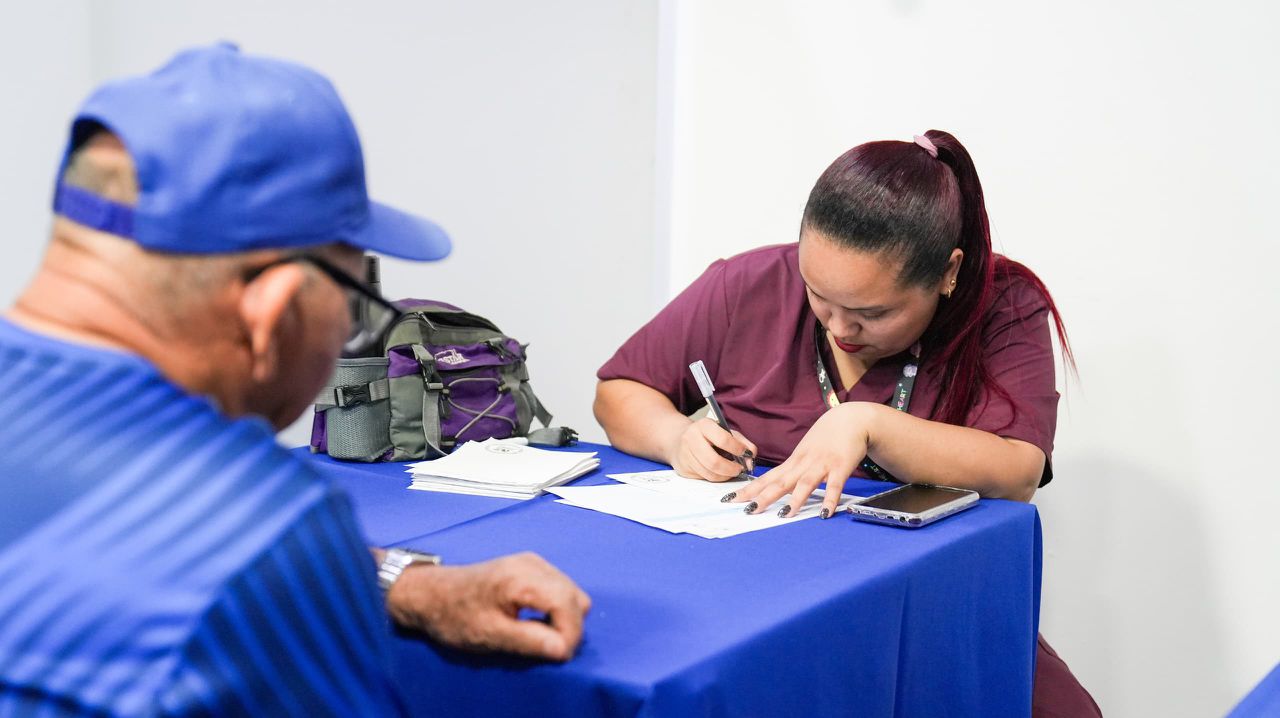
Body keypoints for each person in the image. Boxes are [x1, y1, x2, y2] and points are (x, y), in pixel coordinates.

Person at [0, 44, 589, 716]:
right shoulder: (263, 536)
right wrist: (313, 572)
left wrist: (398, 582)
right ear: (271, 312)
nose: (347, 328)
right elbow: (228, 565)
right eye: (352, 297)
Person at [594, 130, 1100, 716]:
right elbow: (619, 391)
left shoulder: (1003, 306)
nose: (839, 327)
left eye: (872, 312)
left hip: (924, 609)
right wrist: (676, 435)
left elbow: (1017, 470)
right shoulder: (749, 283)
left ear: (947, 272)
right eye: (818, 295)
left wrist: (871, 424)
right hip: (755, 602)